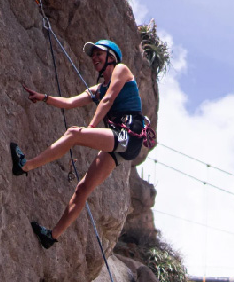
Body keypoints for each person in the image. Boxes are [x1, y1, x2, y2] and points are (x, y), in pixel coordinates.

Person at [11, 39, 146, 249]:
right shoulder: (98, 89)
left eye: (99, 54)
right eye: (93, 55)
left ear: (111, 57)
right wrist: (44, 97)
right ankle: (51, 236)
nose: (94, 58)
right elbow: (71, 102)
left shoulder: (121, 70)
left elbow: (108, 100)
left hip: (129, 135)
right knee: (83, 188)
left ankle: (26, 165)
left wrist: (89, 127)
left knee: (74, 133)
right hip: (121, 142)